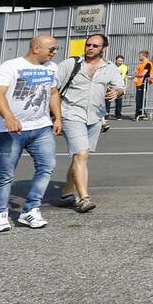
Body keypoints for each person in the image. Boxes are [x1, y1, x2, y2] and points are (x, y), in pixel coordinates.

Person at [0, 35, 62, 233]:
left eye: (56, 49)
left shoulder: (51, 68)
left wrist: (58, 118)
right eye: (52, 49)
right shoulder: (10, 67)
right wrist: (9, 118)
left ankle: (30, 210)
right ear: (36, 48)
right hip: (10, 131)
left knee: (47, 167)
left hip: (41, 127)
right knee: (5, 175)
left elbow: (53, 93)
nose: (54, 52)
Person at [55, 34, 126, 214]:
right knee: (81, 153)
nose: (90, 48)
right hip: (71, 114)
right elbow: (52, 88)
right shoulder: (70, 64)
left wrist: (116, 92)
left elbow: (121, 86)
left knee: (80, 157)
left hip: (94, 116)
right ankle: (83, 198)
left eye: (95, 45)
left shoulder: (109, 68)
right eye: (88, 45)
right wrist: (56, 116)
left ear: (103, 48)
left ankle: (66, 194)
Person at [133, 51, 153, 121]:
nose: (139, 57)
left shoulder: (148, 64)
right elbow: (139, 72)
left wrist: (135, 75)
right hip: (139, 84)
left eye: (140, 56)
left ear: (143, 56)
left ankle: (139, 114)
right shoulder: (142, 64)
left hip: (143, 84)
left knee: (140, 100)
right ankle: (141, 113)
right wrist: (136, 73)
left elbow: (143, 74)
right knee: (140, 100)